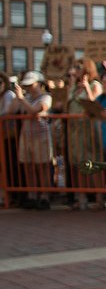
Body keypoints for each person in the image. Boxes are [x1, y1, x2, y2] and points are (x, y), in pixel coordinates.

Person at [7, 71, 54, 209]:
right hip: (26, 136)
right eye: (26, 85)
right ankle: (32, 195)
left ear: (38, 84)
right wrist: (18, 97)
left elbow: (34, 110)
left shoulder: (46, 97)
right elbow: (11, 110)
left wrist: (22, 99)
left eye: (31, 85)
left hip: (41, 136)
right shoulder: (25, 97)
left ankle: (45, 196)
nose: (28, 88)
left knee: (42, 166)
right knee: (29, 166)